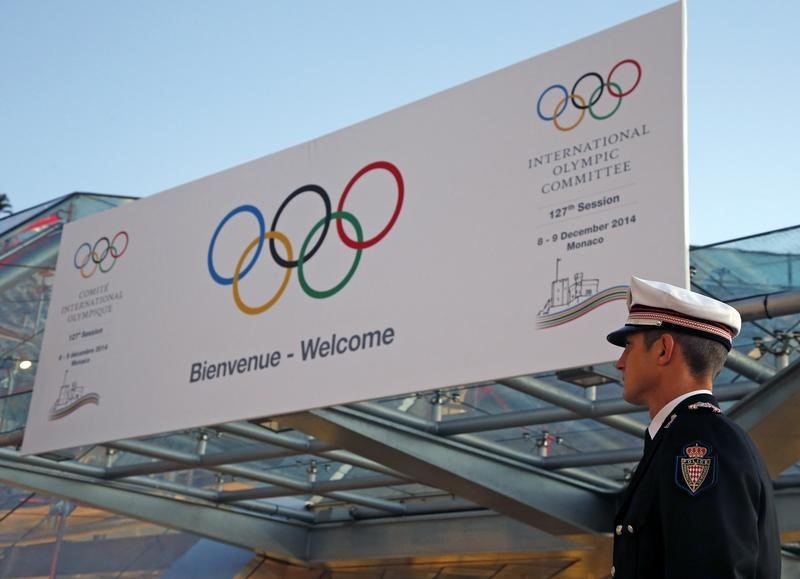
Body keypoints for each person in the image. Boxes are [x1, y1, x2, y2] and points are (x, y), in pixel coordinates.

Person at [606, 276, 780, 579]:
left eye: (628, 347)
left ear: (663, 349)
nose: (619, 363)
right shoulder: (685, 435)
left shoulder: (697, 443)